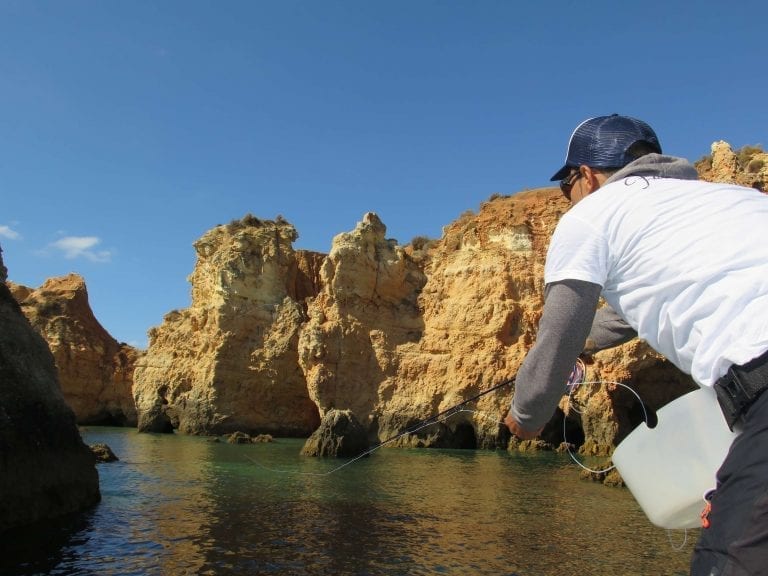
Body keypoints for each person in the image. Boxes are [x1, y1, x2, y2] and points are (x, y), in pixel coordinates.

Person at [503, 114, 768, 575]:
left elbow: (560, 333)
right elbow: (626, 316)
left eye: (567, 185)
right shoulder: (730, 199)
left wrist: (526, 416)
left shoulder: (590, 216)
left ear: (586, 174)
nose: (568, 198)